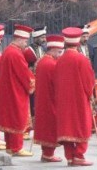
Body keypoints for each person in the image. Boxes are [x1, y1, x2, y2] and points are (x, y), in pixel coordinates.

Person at [54, 27, 95, 166]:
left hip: (63, 100)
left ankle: (70, 156)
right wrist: (90, 95)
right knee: (82, 125)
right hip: (79, 99)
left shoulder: (59, 60)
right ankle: (79, 155)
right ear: (77, 43)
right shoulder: (82, 59)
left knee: (67, 127)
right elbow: (89, 81)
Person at [0, 24, 35, 157]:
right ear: (19, 39)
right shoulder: (16, 54)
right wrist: (32, 82)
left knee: (10, 120)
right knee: (17, 118)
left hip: (8, 90)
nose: (25, 44)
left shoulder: (7, 51)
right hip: (16, 91)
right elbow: (24, 74)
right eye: (24, 41)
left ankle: (9, 146)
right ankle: (16, 147)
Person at [34, 35, 65, 163]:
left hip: (42, 98)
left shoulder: (42, 61)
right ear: (52, 50)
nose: (60, 55)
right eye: (58, 52)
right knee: (50, 126)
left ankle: (46, 153)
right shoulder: (51, 64)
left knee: (44, 125)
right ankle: (48, 154)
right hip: (50, 99)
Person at [24, 25, 46, 139]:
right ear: (36, 37)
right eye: (42, 37)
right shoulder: (29, 50)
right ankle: (28, 129)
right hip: (32, 81)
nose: (44, 39)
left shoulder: (42, 49)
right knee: (32, 105)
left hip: (41, 81)